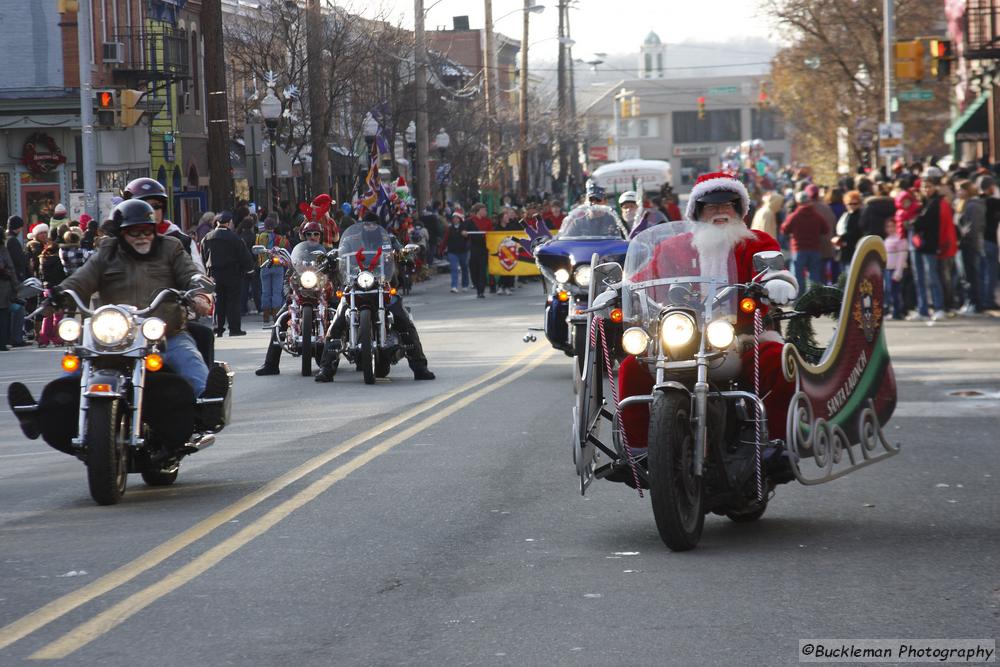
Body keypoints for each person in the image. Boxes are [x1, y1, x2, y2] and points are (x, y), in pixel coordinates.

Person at [617, 172, 798, 456]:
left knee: (778, 362)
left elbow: (772, 269)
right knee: (632, 367)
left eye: (728, 205)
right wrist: (619, 290)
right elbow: (643, 277)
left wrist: (776, 282)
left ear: (740, 209)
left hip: (745, 334)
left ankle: (776, 442)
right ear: (698, 211)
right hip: (682, 333)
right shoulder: (673, 246)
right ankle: (638, 448)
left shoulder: (756, 242)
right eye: (712, 206)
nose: (720, 211)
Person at [314, 215, 435, 382]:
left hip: (383, 285)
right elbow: (341, 254)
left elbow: (401, 253)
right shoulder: (351, 239)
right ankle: (326, 370)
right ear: (362, 226)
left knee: (405, 321)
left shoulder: (389, 239)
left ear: (378, 225)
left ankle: (420, 368)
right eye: (367, 224)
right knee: (336, 323)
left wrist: (406, 256)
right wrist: (332, 259)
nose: (370, 227)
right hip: (355, 285)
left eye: (373, 225)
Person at [255, 221, 326, 376]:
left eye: (316, 234)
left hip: (321, 295)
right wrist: (290, 292)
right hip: (300, 294)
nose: (312, 237)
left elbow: (336, 274)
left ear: (321, 236)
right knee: (280, 320)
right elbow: (288, 277)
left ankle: (360, 353)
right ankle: (271, 364)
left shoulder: (327, 254)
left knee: (342, 312)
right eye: (309, 234)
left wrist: (333, 270)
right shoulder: (297, 255)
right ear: (303, 236)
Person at [202, 211, 254, 336]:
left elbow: (203, 256)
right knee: (233, 301)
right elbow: (244, 256)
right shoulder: (235, 238)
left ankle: (218, 329)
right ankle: (234, 329)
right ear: (229, 223)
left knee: (218, 301)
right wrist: (249, 268)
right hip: (232, 274)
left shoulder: (207, 237)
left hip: (214, 273)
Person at [905, 173, 948, 321]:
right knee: (919, 278)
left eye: (929, 186)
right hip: (917, 243)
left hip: (929, 244)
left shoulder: (935, 202)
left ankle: (938, 307)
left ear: (935, 187)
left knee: (932, 276)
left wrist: (912, 223)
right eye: (924, 187)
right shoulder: (922, 202)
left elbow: (924, 221)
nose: (926, 189)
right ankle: (922, 309)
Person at [780, 191, 830, 294]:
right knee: (814, 276)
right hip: (815, 249)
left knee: (798, 276)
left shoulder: (794, 216)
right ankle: (813, 298)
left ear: (798, 202)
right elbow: (826, 229)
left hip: (798, 250)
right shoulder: (817, 216)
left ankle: (799, 299)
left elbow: (784, 229)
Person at [954, 180, 985, 314]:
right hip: (962, 244)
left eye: (960, 189)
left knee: (970, 275)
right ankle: (968, 301)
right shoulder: (962, 204)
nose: (958, 192)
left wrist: (963, 236)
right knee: (964, 275)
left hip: (970, 244)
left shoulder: (974, 205)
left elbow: (974, 227)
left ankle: (974, 303)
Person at [255, 213, 290, 326]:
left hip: (264, 266)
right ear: (275, 226)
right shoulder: (280, 238)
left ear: (264, 226)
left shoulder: (259, 237)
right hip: (278, 267)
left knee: (265, 291)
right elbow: (287, 249)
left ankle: (266, 316)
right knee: (276, 291)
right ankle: (276, 315)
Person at [5, 216, 30, 348]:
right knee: (19, 308)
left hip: (7, 281)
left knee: (10, 310)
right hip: (14, 281)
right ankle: (16, 338)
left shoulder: (6, 240)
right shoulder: (13, 241)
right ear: (18, 227)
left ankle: (10, 337)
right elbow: (18, 262)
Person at [977, 175, 1000, 309]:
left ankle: (983, 299)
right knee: (990, 272)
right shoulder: (994, 203)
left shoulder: (975, 202)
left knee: (981, 271)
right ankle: (988, 300)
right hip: (990, 240)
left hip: (978, 240)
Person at [832, 190, 864, 268]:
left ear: (859, 204)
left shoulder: (859, 216)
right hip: (842, 248)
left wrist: (841, 238)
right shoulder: (845, 215)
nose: (852, 206)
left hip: (853, 248)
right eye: (850, 203)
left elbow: (856, 231)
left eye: (855, 203)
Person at [441, 211, 471, 293]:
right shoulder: (450, 229)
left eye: (457, 218)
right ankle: (454, 286)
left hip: (463, 251)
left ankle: (465, 285)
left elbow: (469, 239)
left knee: (464, 268)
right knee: (454, 268)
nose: (455, 220)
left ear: (460, 219)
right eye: (454, 218)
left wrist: (466, 236)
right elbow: (445, 240)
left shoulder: (464, 228)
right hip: (452, 251)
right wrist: (441, 250)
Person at [468, 203, 493, 298]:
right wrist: (464, 233)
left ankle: (481, 291)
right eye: (484, 210)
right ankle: (476, 284)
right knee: (474, 268)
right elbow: (464, 230)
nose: (485, 212)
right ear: (479, 211)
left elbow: (492, 233)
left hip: (484, 248)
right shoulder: (470, 221)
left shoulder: (488, 222)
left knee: (482, 269)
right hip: (474, 248)